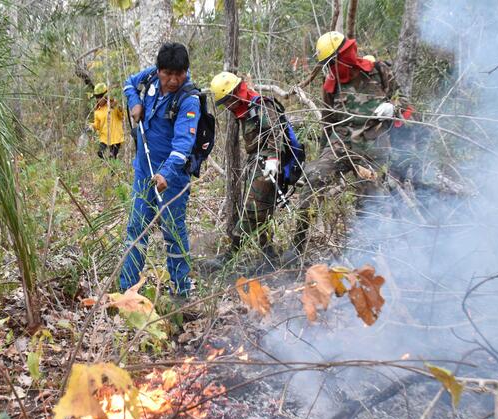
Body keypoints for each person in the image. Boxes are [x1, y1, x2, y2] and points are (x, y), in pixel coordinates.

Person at [295, 31, 413, 251]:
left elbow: (404, 103)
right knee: (313, 180)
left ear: (344, 56)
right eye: (326, 65)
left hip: (373, 146)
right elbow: (328, 122)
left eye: (332, 63)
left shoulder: (379, 71)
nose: (329, 69)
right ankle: (297, 245)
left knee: (370, 204)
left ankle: (369, 254)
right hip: (341, 144)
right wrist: (323, 155)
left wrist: (393, 108)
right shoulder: (330, 83)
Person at [119, 43, 200, 298]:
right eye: (168, 74)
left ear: (186, 71)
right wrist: (135, 103)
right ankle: (127, 289)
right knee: (136, 228)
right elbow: (129, 83)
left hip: (171, 179)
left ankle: (181, 292)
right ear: (159, 70)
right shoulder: (151, 76)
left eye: (180, 74)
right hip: (143, 171)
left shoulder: (189, 99)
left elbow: (183, 145)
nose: (173, 80)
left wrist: (166, 172)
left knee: (173, 232)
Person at [204, 71, 305, 271]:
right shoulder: (245, 109)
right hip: (256, 162)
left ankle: (231, 254)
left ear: (234, 94)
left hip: (269, 164)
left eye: (227, 101)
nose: (226, 106)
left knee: (253, 209)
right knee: (263, 210)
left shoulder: (261, 105)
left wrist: (273, 160)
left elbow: (275, 133)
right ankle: (269, 255)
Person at [91, 82, 125, 159]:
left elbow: (122, 116)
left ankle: (112, 169)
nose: (98, 99)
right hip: (104, 138)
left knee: (112, 157)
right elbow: (97, 125)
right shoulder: (97, 111)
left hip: (116, 138)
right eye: (96, 97)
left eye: (99, 97)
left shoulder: (113, 105)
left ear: (105, 96)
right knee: (100, 153)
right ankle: (106, 165)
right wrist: (91, 126)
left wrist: (118, 107)